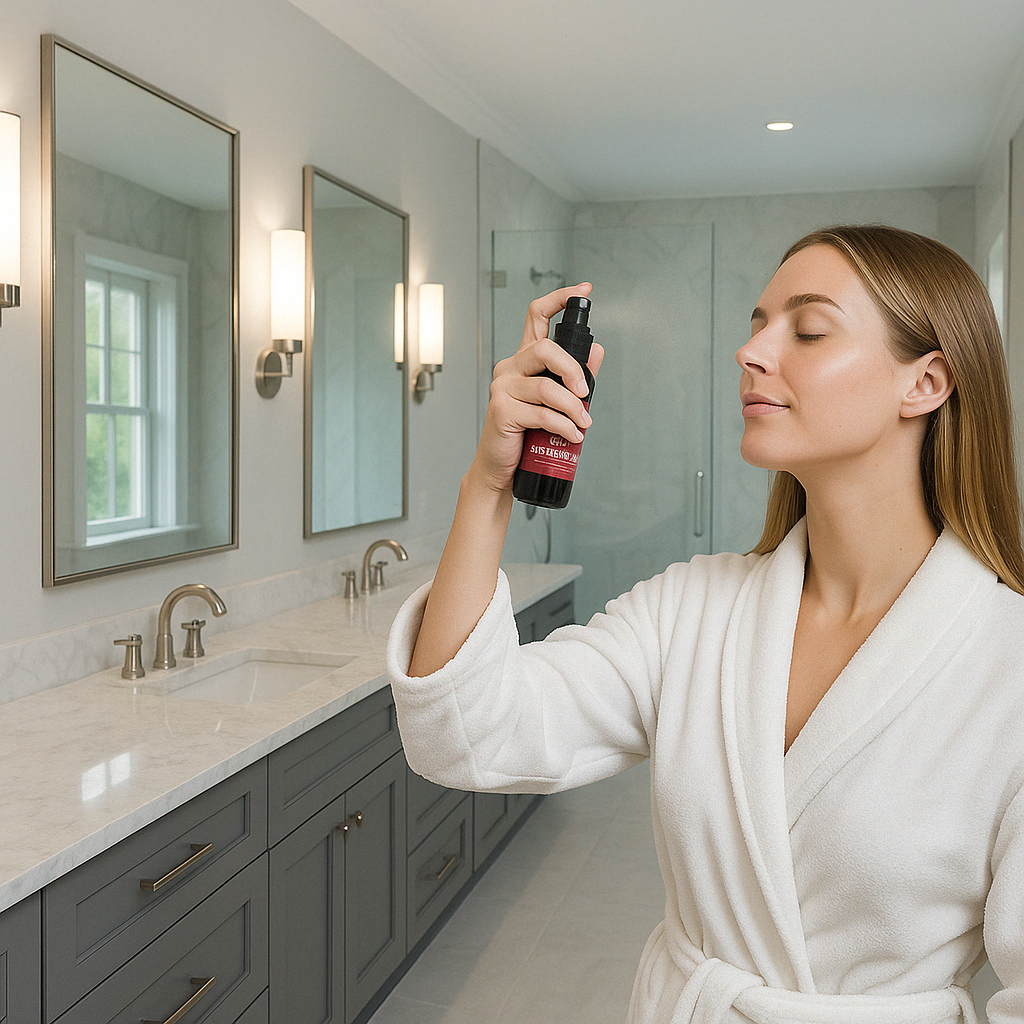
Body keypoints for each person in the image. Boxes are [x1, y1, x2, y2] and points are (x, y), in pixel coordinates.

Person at [386, 224, 1024, 1024]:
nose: (751, 352)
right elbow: (464, 733)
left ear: (927, 382)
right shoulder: (692, 611)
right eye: (758, 324)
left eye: (809, 329)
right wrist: (487, 484)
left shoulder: (1008, 667)